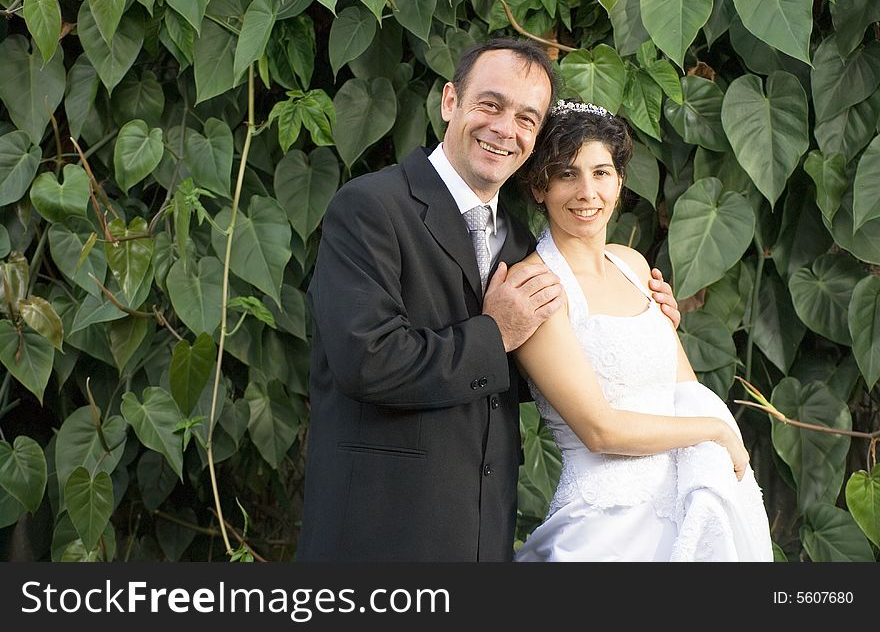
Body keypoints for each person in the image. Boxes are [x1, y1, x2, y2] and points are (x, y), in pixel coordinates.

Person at [298, 39, 680, 562]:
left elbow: (536, 376)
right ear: (451, 101)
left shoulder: (520, 243)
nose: (506, 129)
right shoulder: (371, 207)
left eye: (527, 118)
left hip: (481, 533)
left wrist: (642, 328)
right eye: (491, 105)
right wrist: (494, 333)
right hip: (380, 531)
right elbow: (367, 361)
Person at [512, 99, 773, 561]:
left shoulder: (632, 264)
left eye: (601, 173)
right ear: (539, 187)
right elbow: (600, 431)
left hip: (685, 496)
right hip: (607, 524)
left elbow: (684, 388)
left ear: (620, 181)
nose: (587, 192)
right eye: (567, 174)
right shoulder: (538, 287)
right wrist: (716, 432)